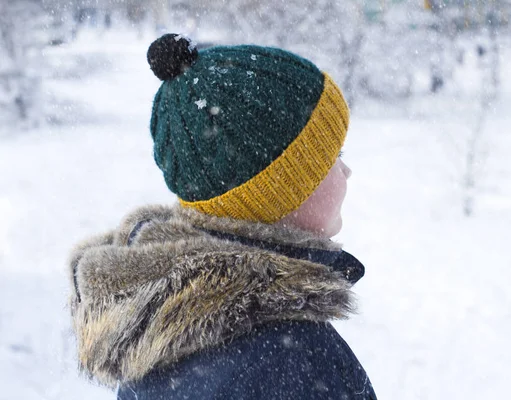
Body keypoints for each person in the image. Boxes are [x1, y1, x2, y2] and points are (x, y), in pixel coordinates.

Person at [69, 33, 377, 400]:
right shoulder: (292, 358)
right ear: (279, 191)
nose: (346, 171)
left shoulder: (160, 325)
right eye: (334, 155)